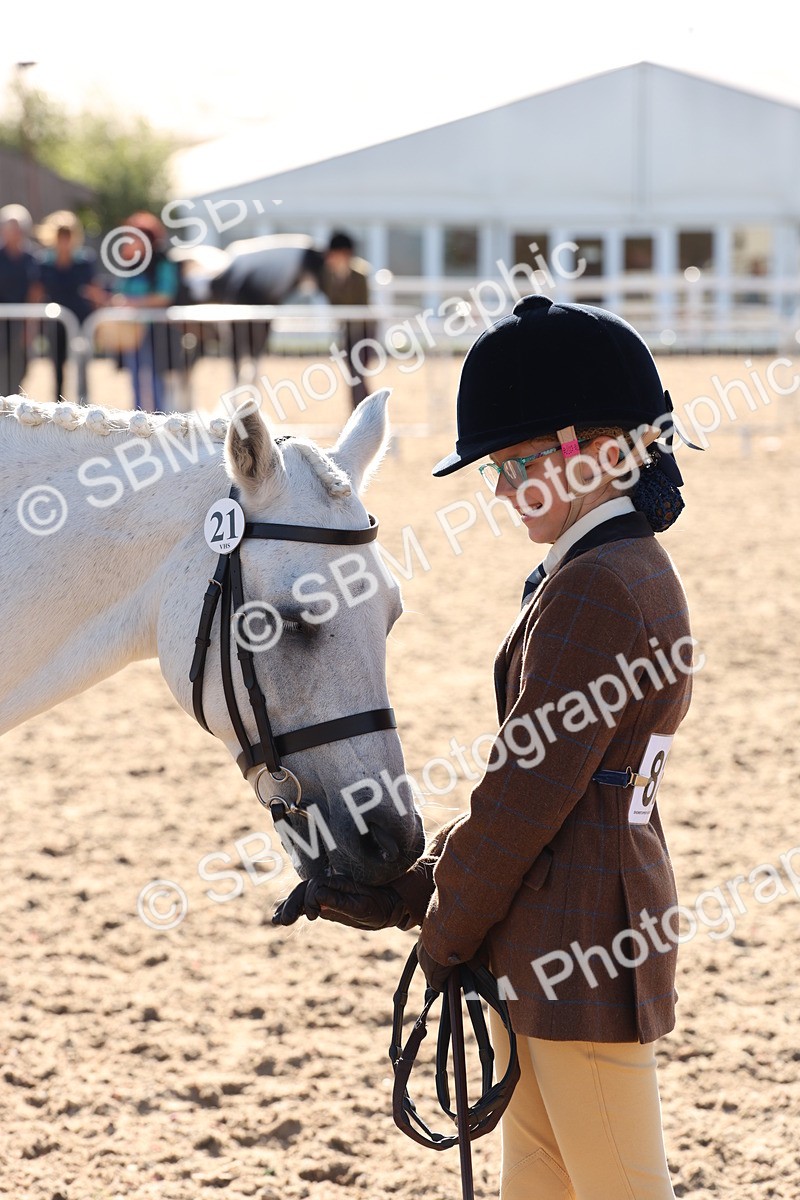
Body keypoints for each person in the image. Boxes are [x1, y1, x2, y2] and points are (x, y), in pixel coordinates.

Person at [275, 294, 698, 1199]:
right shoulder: (608, 570)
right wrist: (418, 887)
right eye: (497, 470)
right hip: (562, 938)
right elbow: (543, 796)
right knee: (541, 1183)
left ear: (603, 451)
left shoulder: (596, 591)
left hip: (579, 945)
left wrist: (443, 929)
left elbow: (523, 801)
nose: (503, 491)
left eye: (520, 464)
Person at [94, 212, 179, 412]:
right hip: (131, 331)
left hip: (156, 332)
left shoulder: (162, 263)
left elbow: (164, 296)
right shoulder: (130, 265)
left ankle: (161, 422)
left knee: (155, 380)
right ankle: (139, 420)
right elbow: (119, 293)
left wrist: (132, 302)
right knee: (136, 379)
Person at [36, 211, 97, 402]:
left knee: (82, 363)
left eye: (68, 235)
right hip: (56, 322)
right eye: (61, 235)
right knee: (57, 364)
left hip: (80, 319)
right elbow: (37, 292)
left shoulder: (85, 260)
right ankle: (58, 403)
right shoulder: (44, 262)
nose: (64, 240)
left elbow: (93, 290)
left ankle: (83, 402)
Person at [320, 230, 375, 408]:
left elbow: (360, 305)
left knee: (357, 374)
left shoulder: (360, 274)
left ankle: (363, 410)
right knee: (353, 375)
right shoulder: (328, 275)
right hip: (347, 331)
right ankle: (363, 410)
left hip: (363, 331)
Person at [0, 204, 41, 396]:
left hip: (21, 322)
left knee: (20, 366)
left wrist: (30, 325)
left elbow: (35, 291)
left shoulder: (32, 258)